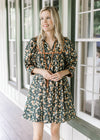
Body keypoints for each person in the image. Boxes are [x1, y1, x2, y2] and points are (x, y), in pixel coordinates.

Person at [23, 6, 77, 140]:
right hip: (39, 91)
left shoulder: (65, 43)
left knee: (54, 132)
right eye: (42, 18)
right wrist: (41, 71)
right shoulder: (34, 43)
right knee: (38, 135)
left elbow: (72, 64)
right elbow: (28, 65)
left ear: (55, 20)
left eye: (48, 17)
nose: (44, 21)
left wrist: (62, 73)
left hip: (59, 91)